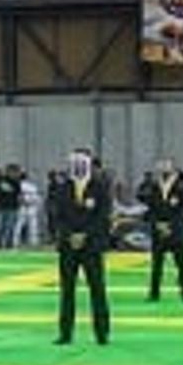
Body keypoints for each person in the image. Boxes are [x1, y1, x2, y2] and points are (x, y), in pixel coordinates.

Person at [49, 146, 111, 345]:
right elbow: (56, 216)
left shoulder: (100, 187)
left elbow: (103, 217)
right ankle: (65, 333)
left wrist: (85, 235)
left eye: (82, 161)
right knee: (67, 290)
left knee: (97, 289)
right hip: (68, 247)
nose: (77, 165)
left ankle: (102, 333)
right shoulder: (62, 188)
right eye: (74, 162)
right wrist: (69, 235)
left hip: (92, 246)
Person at [140, 156, 183, 302]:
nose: (163, 169)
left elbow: (181, 210)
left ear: (173, 168)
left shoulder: (181, 185)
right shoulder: (154, 186)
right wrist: (157, 224)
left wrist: (169, 226)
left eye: (166, 166)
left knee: (181, 264)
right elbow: (151, 207)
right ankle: (154, 293)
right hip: (158, 230)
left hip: (176, 231)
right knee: (156, 265)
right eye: (161, 167)